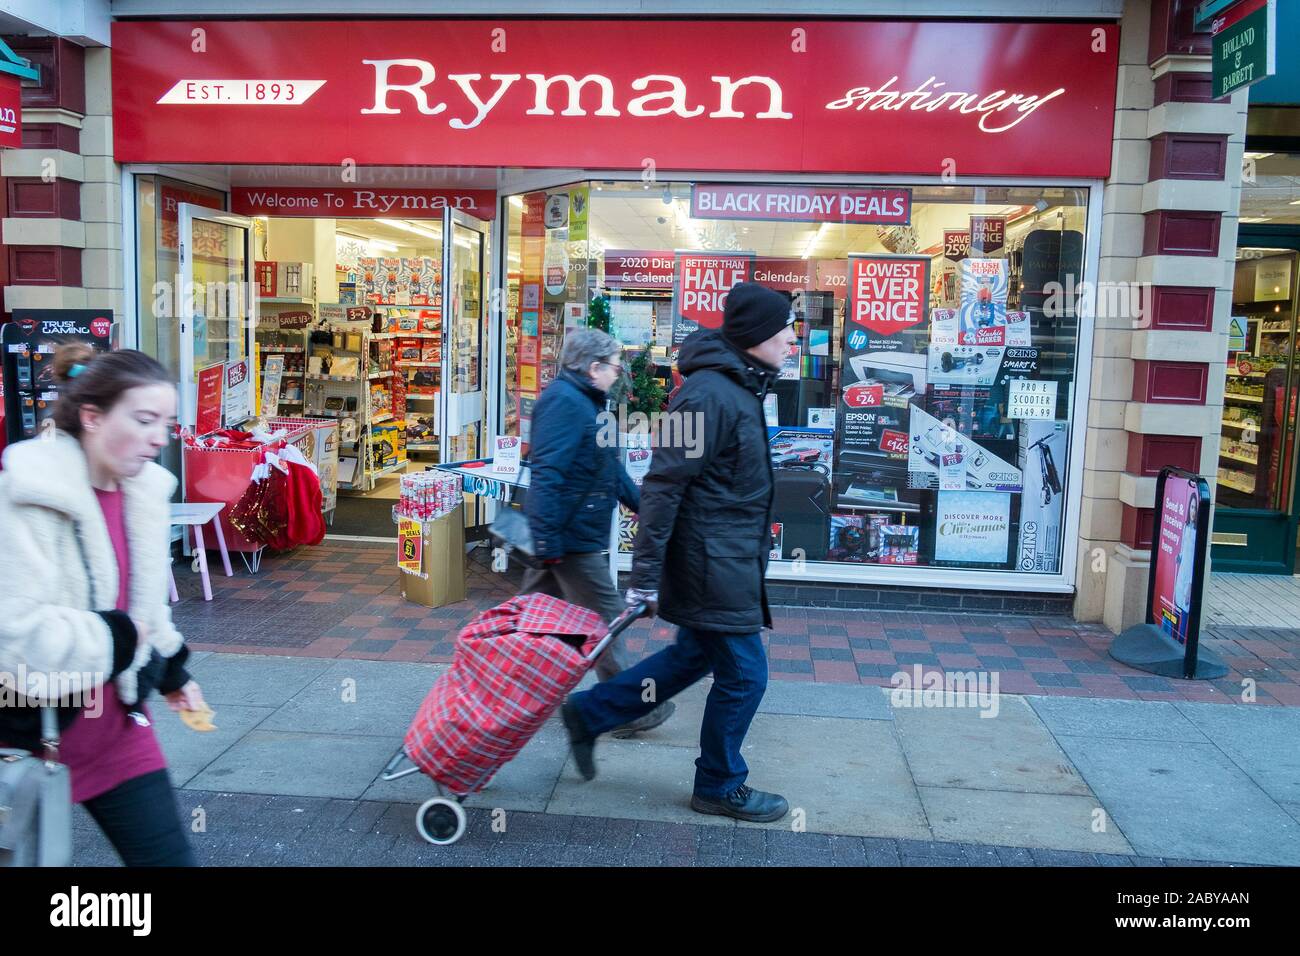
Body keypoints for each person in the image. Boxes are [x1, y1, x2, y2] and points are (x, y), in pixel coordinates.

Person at [560, 282, 797, 823]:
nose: (791, 338)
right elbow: (664, 486)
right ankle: (718, 784)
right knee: (745, 676)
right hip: (710, 564)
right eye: (784, 327)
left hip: (726, 558)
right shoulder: (708, 394)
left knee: (692, 657)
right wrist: (644, 576)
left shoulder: (737, 385)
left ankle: (590, 712)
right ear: (757, 333)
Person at [0, 343, 207, 866]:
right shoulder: (29, 496)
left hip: (117, 731)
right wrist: (118, 637)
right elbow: (17, 632)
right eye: (143, 419)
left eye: (166, 421)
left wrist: (172, 674)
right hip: (29, 732)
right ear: (91, 417)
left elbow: (143, 614)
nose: (160, 438)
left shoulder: (141, 495)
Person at [522, 328, 674, 735]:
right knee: (606, 622)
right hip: (569, 542)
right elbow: (548, 474)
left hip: (564, 539)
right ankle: (633, 710)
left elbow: (610, 470)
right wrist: (547, 541)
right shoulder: (564, 403)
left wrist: (645, 507)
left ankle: (502, 694)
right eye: (613, 365)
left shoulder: (590, 403)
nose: (618, 371)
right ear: (593, 368)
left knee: (525, 625)